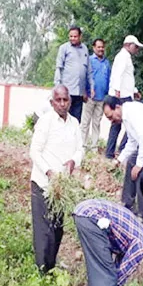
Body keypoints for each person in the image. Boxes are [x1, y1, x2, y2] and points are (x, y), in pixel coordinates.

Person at [30, 85, 84, 273]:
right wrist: (48, 172)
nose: (62, 104)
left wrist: (73, 161)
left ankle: (50, 266)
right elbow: (34, 152)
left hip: (62, 187)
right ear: (52, 102)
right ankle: (42, 270)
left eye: (65, 100)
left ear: (70, 101)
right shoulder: (45, 122)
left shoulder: (74, 123)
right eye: (58, 100)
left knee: (57, 228)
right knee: (43, 229)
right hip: (43, 183)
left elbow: (80, 149)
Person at [106, 35, 143, 159]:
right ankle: (120, 150)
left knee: (118, 125)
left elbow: (127, 78)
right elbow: (118, 74)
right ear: (128, 44)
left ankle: (112, 152)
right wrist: (117, 90)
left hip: (124, 93)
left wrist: (134, 91)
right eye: (135, 46)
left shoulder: (125, 57)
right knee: (128, 124)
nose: (137, 49)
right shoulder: (123, 57)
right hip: (121, 96)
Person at [54, 26, 94, 122]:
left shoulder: (85, 49)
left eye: (75, 36)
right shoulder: (64, 48)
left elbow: (88, 71)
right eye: (71, 36)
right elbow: (59, 68)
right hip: (67, 92)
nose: (72, 38)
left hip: (79, 93)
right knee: (64, 118)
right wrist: (57, 88)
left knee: (76, 121)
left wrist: (91, 88)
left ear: (80, 36)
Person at [80, 38, 111, 152]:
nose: (101, 49)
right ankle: (82, 146)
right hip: (89, 97)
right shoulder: (89, 61)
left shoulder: (107, 63)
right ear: (94, 48)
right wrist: (84, 92)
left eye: (102, 47)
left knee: (97, 123)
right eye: (98, 47)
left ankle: (94, 147)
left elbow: (109, 79)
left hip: (102, 98)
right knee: (85, 122)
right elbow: (83, 77)